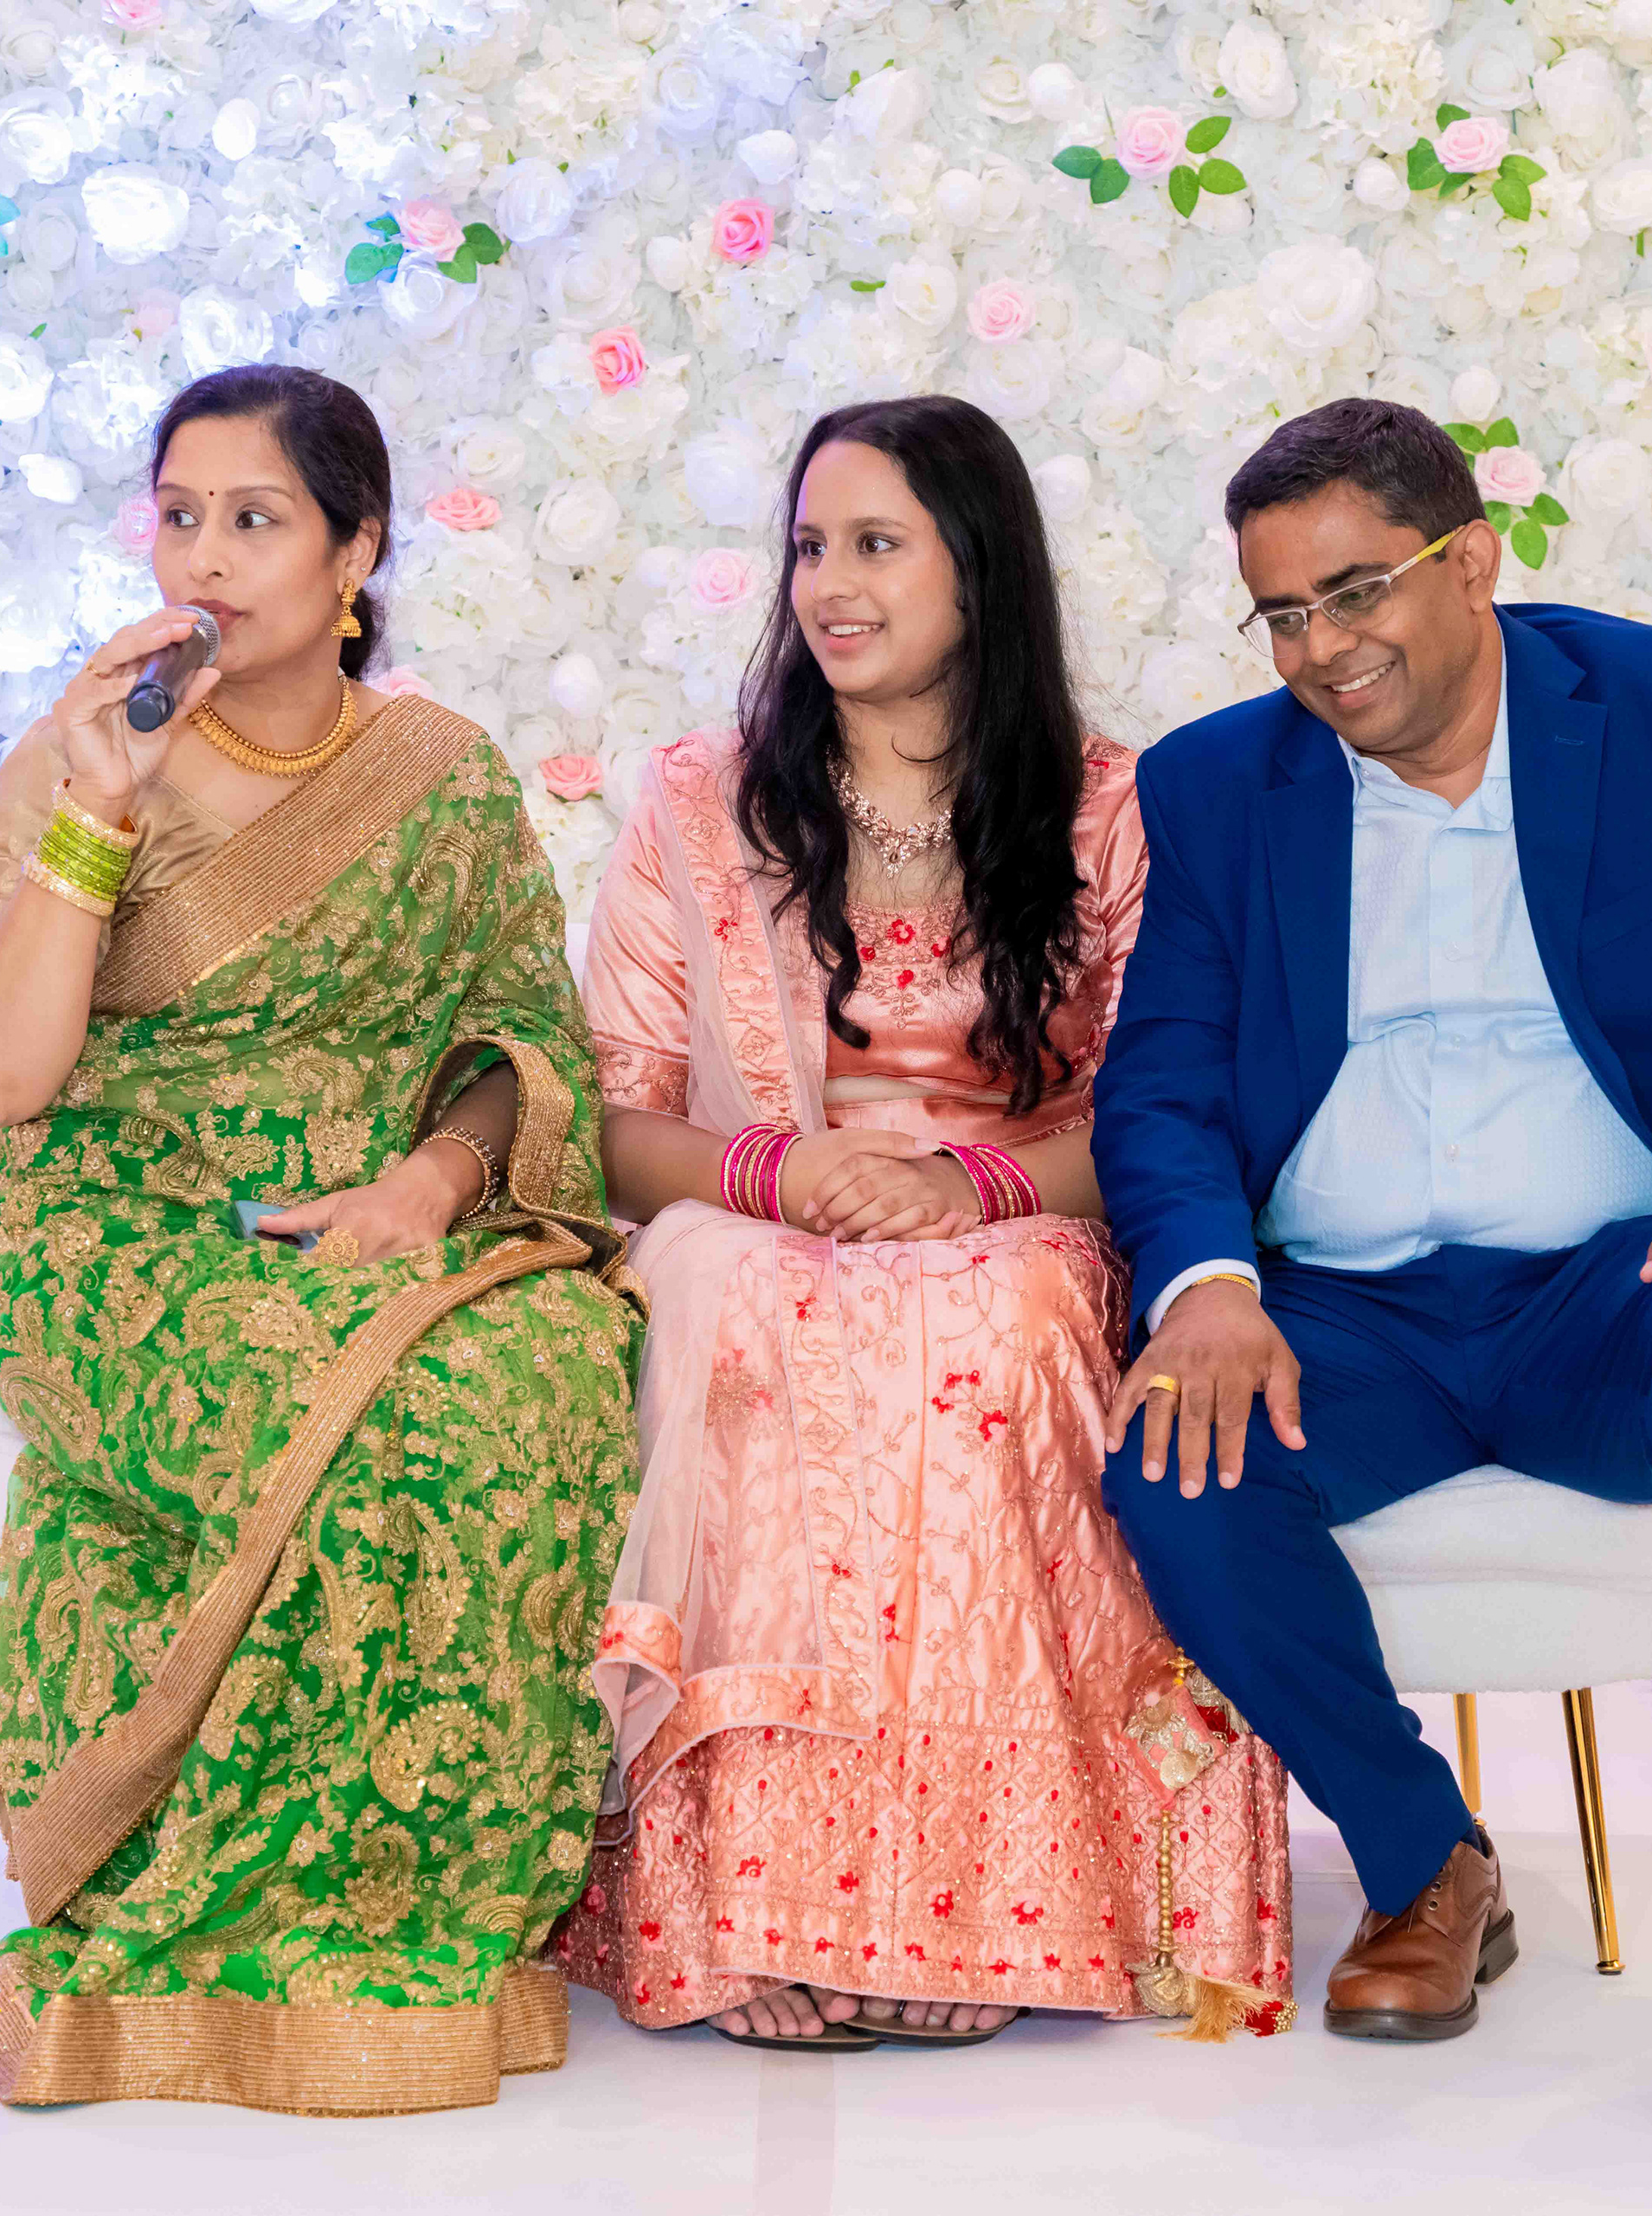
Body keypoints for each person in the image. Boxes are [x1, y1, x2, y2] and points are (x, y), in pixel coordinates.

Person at [1091, 398, 1652, 2137]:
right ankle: (1426, 1858)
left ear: (1471, 561)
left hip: (1625, 1291)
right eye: (1281, 613)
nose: (1320, 649)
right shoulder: (1218, 786)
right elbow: (1161, 1085)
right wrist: (1211, 1287)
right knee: (1175, 1460)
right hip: (1351, 1316)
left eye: (1355, 592)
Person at [0, 364, 644, 2117]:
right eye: (182, 516)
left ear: (356, 551)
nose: (208, 559)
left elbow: (526, 1042)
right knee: (351, 1412)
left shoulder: (441, 781)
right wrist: (97, 809)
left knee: (532, 1374)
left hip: (382, 1225)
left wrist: (430, 1189)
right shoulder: (81, 757)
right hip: (115, 1229)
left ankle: (430, 1911)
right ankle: (225, 1927)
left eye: (256, 518)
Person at [552, 396, 1295, 2052]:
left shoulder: (1107, 813)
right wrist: (777, 1176)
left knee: (993, 1323)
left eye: (877, 544)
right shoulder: (702, 803)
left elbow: (1168, 1111)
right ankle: (752, 1915)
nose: (830, 585)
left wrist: (977, 1186)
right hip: (757, 1214)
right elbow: (612, 1115)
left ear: (979, 567)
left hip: (1025, 1214)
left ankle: (975, 1912)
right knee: (746, 1306)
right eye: (810, 546)